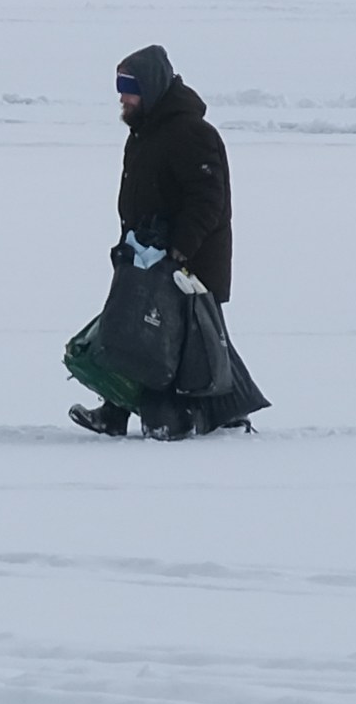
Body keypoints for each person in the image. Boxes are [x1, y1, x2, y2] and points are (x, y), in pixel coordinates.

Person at [66, 44, 265, 437]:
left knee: (187, 345)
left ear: (153, 89)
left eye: (130, 90)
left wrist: (179, 249)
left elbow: (209, 199)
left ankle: (210, 415)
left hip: (187, 263)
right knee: (137, 334)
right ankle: (118, 412)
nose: (123, 99)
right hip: (147, 256)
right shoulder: (145, 131)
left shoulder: (191, 133)